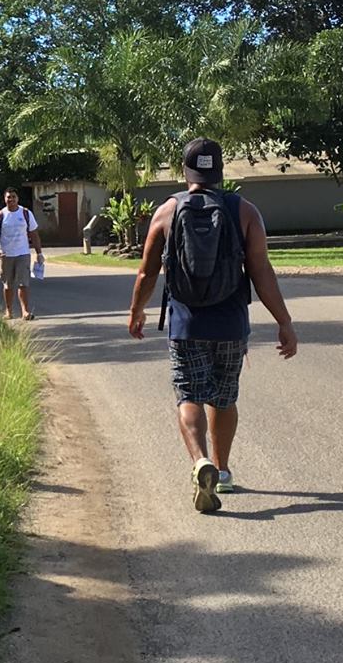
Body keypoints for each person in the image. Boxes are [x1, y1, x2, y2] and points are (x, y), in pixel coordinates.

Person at [126, 137, 298, 513]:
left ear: (186, 171)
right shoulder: (245, 212)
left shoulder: (167, 212)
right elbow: (261, 272)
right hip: (231, 324)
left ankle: (199, 460)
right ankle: (221, 471)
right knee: (224, 397)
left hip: (186, 323)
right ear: (220, 171)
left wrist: (137, 310)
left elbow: (146, 272)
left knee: (189, 395)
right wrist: (284, 322)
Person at [0, 188, 45, 320]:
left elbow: (34, 234)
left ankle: (25, 311)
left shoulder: (25, 213)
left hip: (23, 253)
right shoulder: (0, 215)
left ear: (17, 198)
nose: (11, 199)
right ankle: (9, 312)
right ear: (5, 199)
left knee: (23, 283)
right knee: (8, 284)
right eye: (9, 197)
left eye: (13, 197)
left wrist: (39, 253)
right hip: (6, 255)